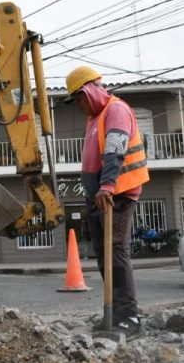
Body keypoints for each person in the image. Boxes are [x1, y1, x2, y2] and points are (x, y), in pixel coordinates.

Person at [63, 66, 150, 337]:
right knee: (104, 256)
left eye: (77, 99)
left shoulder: (116, 110)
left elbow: (115, 149)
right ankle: (114, 314)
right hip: (101, 197)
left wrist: (108, 185)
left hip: (118, 194)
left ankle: (130, 317)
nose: (77, 106)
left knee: (116, 252)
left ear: (88, 91)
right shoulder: (94, 118)